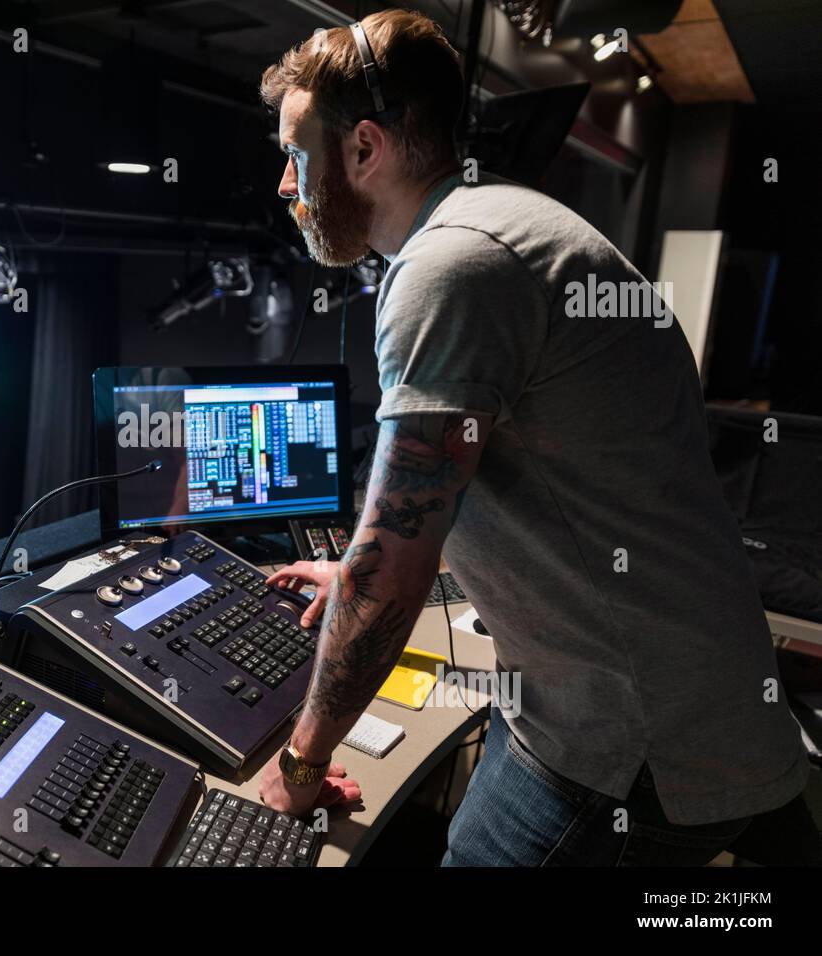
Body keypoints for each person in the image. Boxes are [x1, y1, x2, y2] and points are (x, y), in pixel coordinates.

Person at [255, 9, 818, 865]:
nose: (288, 189)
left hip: (628, 744)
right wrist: (359, 569)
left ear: (365, 148)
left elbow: (391, 571)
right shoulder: (509, 224)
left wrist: (300, 764)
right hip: (712, 709)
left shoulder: (450, 268)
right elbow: (552, 486)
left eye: (297, 158)